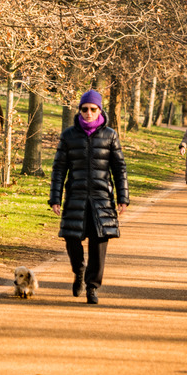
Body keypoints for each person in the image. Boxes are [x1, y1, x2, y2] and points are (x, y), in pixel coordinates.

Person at [48, 90, 128, 304]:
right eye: (85, 109)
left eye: (93, 109)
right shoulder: (69, 136)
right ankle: (79, 270)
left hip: (102, 199)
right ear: (79, 110)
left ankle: (92, 287)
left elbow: (119, 168)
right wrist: (55, 197)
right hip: (76, 196)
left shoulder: (110, 135)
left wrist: (123, 197)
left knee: (99, 243)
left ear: (100, 110)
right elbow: (58, 169)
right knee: (72, 239)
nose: (89, 113)